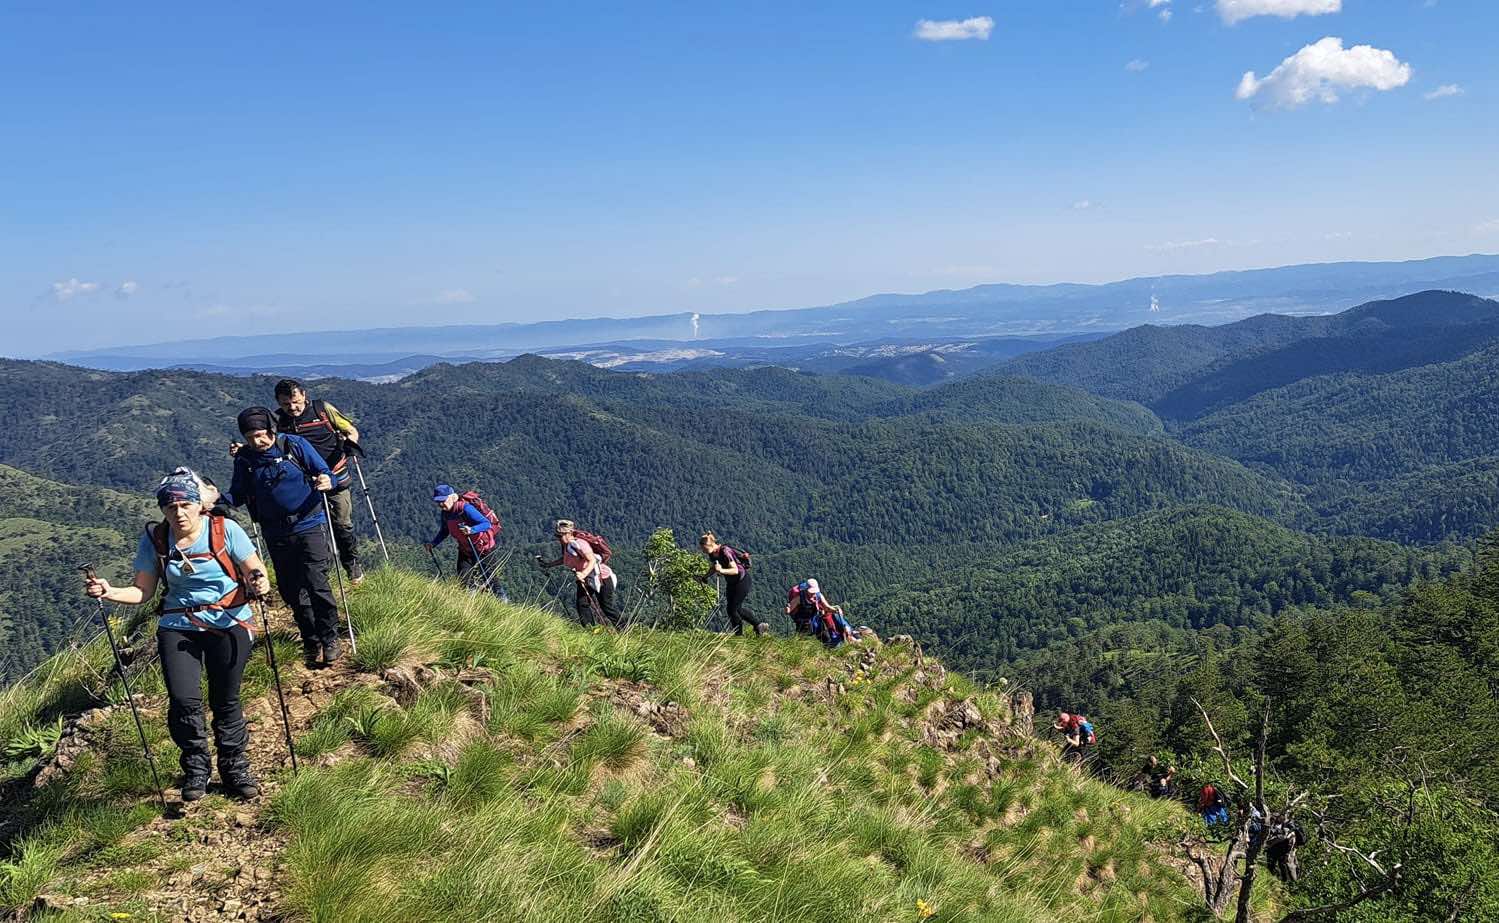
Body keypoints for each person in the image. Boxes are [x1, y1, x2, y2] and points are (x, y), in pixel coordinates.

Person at [82, 470, 271, 801]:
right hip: (178, 625)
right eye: (171, 508)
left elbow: (256, 570)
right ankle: (196, 769)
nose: (179, 513)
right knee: (184, 700)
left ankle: (234, 767)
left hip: (230, 622)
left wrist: (260, 582)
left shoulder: (225, 530)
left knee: (225, 699)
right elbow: (143, 592)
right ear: (162, 510)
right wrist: (108, 591)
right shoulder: (156, 539)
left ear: (199, 505)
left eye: (185, 505)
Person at [219, 407, 342, 668]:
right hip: (275, 531)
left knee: (316, 582)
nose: (257, 441)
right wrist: (211, 502)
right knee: (290, 589)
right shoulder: (245, 460)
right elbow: (238, 494)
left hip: (309, 523)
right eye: (251, 437)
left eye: (261, 435)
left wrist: (326, 480)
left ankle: (330, 638)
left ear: (272, 430)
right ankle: (311, 639)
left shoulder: (294, 445)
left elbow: (324, 470)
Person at [272, 379, 364, 584]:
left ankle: (352, 564)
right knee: (314, 527)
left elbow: (350, 429)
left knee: (341, 523)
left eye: (295, 401)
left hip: (336, 474)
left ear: (303, 395)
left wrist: (350, 444)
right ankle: (323, 574)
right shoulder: (278, 420)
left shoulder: (322, 409)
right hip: (304, 483)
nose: (292, 407)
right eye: (286, 404)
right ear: (279, 402)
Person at [425, 485, 507, 600]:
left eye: (443, 500)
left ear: (452, 497)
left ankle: (503, 603)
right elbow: (444, 531)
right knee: (464, 580)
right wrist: (433, 543)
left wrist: (472, 530)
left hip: (483, 549)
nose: (441, 504)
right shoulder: (445, 514)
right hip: (466, 550)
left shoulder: (465, 508)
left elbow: (486, 523)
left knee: (491, 580)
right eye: (438, 502)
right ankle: (469, 604)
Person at [538, 519, 623, 628]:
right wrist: (549, 565)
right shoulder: (566, 546)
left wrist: (583, 574)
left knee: (607, 608)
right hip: (585, 579)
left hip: (602, 578)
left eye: (560, 536)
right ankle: (591, 630)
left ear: (569, 533)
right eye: (557, 536)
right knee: (582, 604)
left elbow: (592, 560)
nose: (558, 538)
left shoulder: (579, 544)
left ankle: (624, 629)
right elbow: (565, 558)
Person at [698, 531, 768, 636]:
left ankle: (738, 636)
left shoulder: (725, 551)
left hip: (742, 581)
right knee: (736, 609)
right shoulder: (712, 553)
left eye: (704, 549)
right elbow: (714, 567)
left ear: (710, 545)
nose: (703, 552)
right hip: (732, 582)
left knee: (732, 610)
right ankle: (759, 626)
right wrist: (704, 577)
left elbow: (735, 570)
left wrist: (721, 571)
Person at [785, 579, 855, 647]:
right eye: (811, 592)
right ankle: (800, 653)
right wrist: (787, 610)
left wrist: (836, 610)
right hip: (803, 622)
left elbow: (827, 607)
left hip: (815, 620)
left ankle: (829, 649)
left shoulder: (818, 596)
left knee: (825, 638)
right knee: (802, 641)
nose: (813, 594)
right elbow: (790, 609)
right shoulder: (799, 597)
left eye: (814, 592)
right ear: (806, 589)